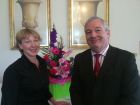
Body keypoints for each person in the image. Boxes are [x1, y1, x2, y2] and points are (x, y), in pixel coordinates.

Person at [70, 16, 140, 105]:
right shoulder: (80, 59)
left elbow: (132, 97)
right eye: (88, 32)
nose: (93, 35)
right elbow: (75, 91)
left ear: (108, 33)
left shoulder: (126, 59)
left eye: (98, 30)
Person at [1, 28, 70, 105]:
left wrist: (55, 102)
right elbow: (7, 102)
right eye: (28, 42)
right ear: (20, 46)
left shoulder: (42, 63)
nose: (33, 45)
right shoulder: (12, 71)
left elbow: (44, 90)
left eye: (36, 40)